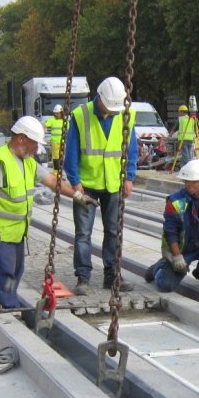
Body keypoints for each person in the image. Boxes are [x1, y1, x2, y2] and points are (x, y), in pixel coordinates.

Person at [0, 116, 89, 309]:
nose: (37, 150)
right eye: (35, 144)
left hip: (15, 229)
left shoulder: (28, 162)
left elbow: (52, 181)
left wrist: (76, 195)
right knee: (6, 270)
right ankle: (9, 306)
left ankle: (10, 300)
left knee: (17, 269)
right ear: (22, 139)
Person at [63, 76, 140, 296]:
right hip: (87, 185)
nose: (113, 111)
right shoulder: (81, 116)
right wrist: (75, 183)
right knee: (83, 233)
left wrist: (129, 177)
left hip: (114, 183)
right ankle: (83, 277)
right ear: (100, 98)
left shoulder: (125, 114)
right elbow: (72, 153)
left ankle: (112, 276)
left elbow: (130, 149)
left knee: (114, 231)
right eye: (110, 107)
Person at [145, 159, 199, 292]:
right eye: (186, 181)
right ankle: (157, 268)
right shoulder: (175, 202)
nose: (188, 185)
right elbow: (170, 232)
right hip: (183, 249)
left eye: (193, 182)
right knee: (165, 285)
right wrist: (177, 257)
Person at [174, 103, 199, 168]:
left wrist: (170, 135)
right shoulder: (191, 119)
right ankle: (182, 167)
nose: (179, 113)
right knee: (187, 154)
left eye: (179, 112)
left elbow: (175, 128)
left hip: (183, 139)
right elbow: (193, 129)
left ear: (182, 112)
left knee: (185, 155)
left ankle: (188, 167)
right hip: (190, 139)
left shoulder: (180, 119)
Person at [46, 104, 67, 170]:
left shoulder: (64, 120)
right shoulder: (51, 120)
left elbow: (68, 129)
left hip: (62, 142)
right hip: (55, 142)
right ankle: (56, 173)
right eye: (55, 113)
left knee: (62, 158)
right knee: (56, 158)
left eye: (58, 113)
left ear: (61, 113)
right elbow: (45, 125)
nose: (57, 115)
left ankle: (61, 172)